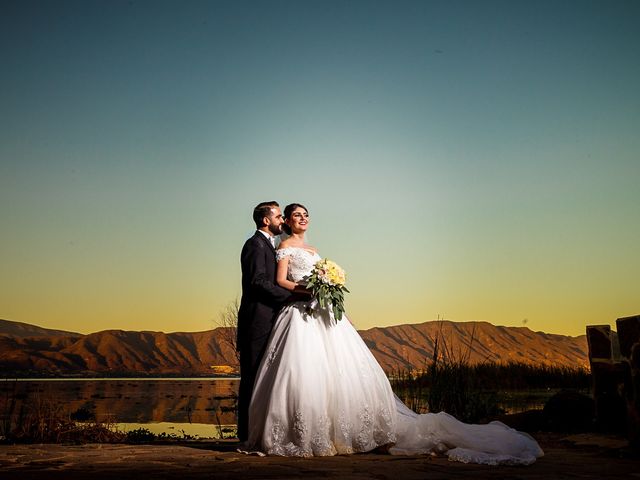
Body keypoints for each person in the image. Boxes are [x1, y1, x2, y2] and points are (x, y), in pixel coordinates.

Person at [246, 203, 544, 465]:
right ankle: (305, 433)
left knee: (343, 370)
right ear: (285, 220)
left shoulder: (314, 250)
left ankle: (347, 430)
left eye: (306, 215)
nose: (303, 218)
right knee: (301, 370)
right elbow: (281, 280)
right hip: (300, 312)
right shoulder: (283, 248)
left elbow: (318, 279)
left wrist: (331, 293)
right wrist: (306, 289)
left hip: (322, 309)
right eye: (296, 215)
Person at [237, 201, 300, 442]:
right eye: (278, 217)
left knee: (265, 379)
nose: (282, 221)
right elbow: (258, 282)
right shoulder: (254, 245)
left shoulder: (272, 246)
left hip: (272, 320)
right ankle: (245, 435)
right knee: (252, 377)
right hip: (257, 321)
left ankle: (261, 432)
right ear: (266, 220)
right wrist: (291, 297)